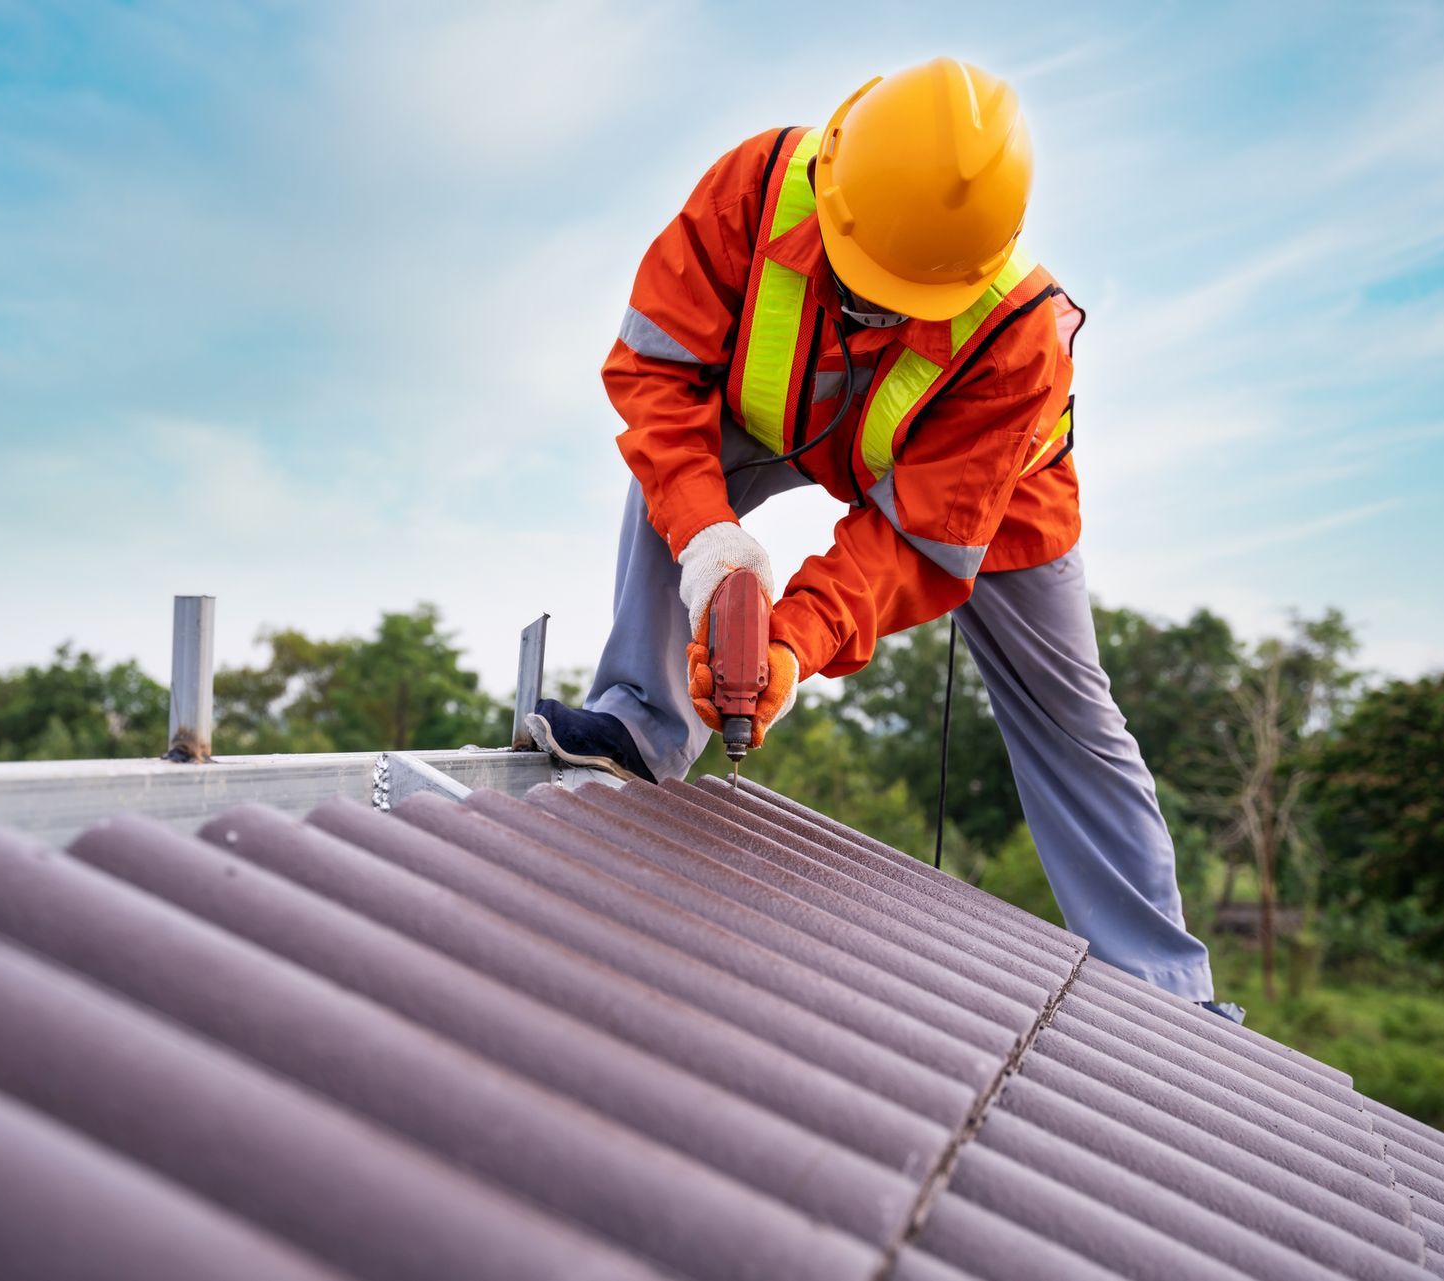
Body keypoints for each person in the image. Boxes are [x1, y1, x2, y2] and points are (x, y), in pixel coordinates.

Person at [527, 57, 1233, 1015]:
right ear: (833, 189)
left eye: (908, 293)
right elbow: (658, 374)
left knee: (1071, 713)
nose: (882, 307)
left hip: (987, 494)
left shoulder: (1021, 340)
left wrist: (788, 640)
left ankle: (1163, 987)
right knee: (682, 475)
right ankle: (644, 723)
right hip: (777, 416)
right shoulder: (755, 190)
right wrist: (711, 548)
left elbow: (916, 543)